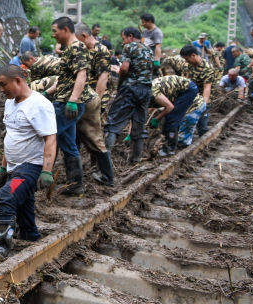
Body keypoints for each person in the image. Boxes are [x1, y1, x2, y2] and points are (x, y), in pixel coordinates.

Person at [0, 64, 56, 262]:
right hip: (14, 167)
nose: (1, 89)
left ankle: (1, 246)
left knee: (6, 197)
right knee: (24, 210)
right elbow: (10, 136)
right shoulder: (10, 103)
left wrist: (47, 171)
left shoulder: (39, 104)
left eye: (3, 84)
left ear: (18, 81)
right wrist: (3, 167)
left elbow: (50, 138)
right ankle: (31, 239)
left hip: (31, 166)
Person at [45, 17, 95, 196]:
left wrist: (73, 100)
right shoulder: (68, 50)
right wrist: (48, 93)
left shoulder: (78, 48)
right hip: (64, 101)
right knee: (68, 144)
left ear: (65, 29)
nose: (53, 35)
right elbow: (64, 78)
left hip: (69, 104)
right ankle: (75, 184)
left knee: (48, 136)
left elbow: (82, 74)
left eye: (55, 31)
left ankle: (43, 177)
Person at [104, 27, 154, 164]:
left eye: (124, 39)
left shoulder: (129, 47)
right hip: (146, 90)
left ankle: (104, 165)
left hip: (130, 89)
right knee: (139, 126)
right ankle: (136, 159)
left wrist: (120, 81)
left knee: (113, 123)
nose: (123, 42)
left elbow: (124, 68)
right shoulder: (149, 50)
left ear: (130, 36)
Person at [74, 23, 115, 187]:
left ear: (84, 36)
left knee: (94, 135)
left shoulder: (101, 50)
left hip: (96, 100)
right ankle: (81, 172)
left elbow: (103, 77)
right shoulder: (84, 50)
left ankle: (106, 175)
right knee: (80, 133)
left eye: (77, 39)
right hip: (84, 98)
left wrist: (96, 101)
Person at [148, 75, 203, 155]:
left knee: (172, 117)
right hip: (179, 90)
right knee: (169, 115)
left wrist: (157, 118)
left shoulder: (153, 93)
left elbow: (170, 107)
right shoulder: (145, 92)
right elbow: (148, 108)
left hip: (188, 89)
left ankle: (170, 149)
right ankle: (167, 143)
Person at [180, 44, 215, 137]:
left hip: (203, 97)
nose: (186, 61)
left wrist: (203, 105)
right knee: (185, 119)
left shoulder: (207, 68)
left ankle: (203, 142)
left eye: (187, 59)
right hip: (190, 96)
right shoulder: (187, 65)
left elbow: (207, 88)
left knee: (202, 124)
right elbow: (184, 80)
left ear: (193, 55)